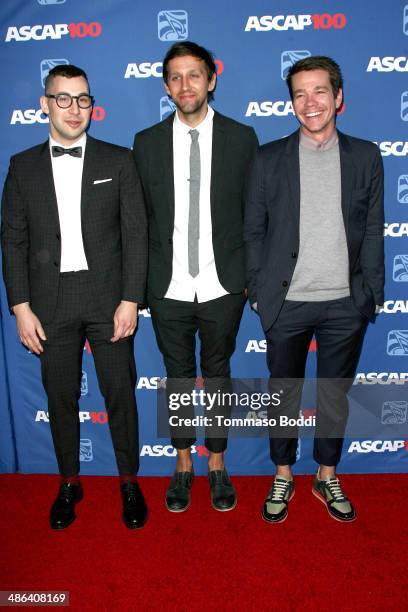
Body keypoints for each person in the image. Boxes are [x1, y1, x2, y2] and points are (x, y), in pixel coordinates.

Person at [1, 64, 148, 530]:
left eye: (82, 99)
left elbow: (137, 236)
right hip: (49, 304)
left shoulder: (118, 160)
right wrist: (21, 307)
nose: (73, 108)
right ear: (44, 104)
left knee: (120, 393)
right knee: (60, 396)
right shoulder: (22, 166)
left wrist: (130, 299)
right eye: (62, 98)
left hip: (109, 300)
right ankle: (70, 481)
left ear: (92, 105)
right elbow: (14, 240)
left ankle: (128, 480)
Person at [244, 56, 384, 523]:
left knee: (332, 396)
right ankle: (283, 472)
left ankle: (326, 474)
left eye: (320, 91)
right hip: (286, 303)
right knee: (282, 395)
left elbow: (375, 229)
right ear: (292, 103)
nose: (310, 102)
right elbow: (253, 231)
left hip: (346, 303)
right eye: (300, 94)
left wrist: (369, 293)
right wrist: (258, 293)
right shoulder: (268, 158)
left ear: (338, 98)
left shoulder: (365, 156)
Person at [133, 41, 258, 513]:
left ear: (211, 79)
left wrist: (247, 277)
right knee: (177, 378)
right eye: (176, 77)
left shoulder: (242, 138)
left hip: (224, 283)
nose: (185, 85)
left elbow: (254, 213)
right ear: (167, 86)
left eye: (194, 75)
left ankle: (217, 463)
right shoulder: (145, 143)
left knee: (219, 374)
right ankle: (183, 463)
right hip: (168, 287)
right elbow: (139, 218)